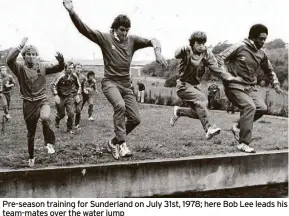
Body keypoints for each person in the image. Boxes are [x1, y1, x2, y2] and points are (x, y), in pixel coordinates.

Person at [63, 0, 168, 159]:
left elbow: (154, 40)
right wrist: (72, 12)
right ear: (114, 28)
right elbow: (85, 30)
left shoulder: (132, 40)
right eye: (121, 30)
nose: (124, 33)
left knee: (135, 119)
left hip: (126, 85)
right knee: (119, 105)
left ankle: (113, 142)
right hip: (110, 82)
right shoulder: (105, 39)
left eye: (126, 30)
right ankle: (122, 143)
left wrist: (158, 52)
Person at [217, 24, 282, 153]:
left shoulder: (261, 54)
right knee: (249, 107)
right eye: (260, 39)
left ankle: (237, 126)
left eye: (265, 39)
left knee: (262, 108)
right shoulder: (239, 47)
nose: (263, 42)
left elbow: (269, 70)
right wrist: (227, 76)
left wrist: (276, 83)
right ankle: (243, 143)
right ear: (252, 37)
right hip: (234, 85)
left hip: (250, 87)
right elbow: (219, 58)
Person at [6, 37, 65, 167]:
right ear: (24, 56)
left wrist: (61, 62)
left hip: (42, 100)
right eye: (28, 54)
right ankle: (31, 156)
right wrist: (20, 45)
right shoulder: (20, 68)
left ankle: (49, 143)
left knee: (45, 117)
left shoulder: (42, 67)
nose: (31, 57)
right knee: (30, 133)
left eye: (34, 54)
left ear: (37, 56)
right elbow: (9, 60)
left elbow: (58, 68)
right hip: (28, 104)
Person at [170, 31, 234, 140]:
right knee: (202, 99)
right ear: (192, 44)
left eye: (203, 44)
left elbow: (215, 68)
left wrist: (228, 76)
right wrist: (181, 49)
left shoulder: (206, 53)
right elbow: (177, 54)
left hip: (194, 86)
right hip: (183, 85)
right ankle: (209, 129)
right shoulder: (187, 51)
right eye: (198, 44)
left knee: (199, 112)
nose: (201, 46)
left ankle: (179, 111)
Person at [51, 61, 81, 134]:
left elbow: (79, 85)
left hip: (69, 96)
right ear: (65, 68)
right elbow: (53, 85)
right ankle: (57, 119)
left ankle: (69, 129)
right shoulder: (61, 76)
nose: (70, 70)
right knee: (62, 114)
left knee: (71, 113)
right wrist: (55, 95)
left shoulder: (74, 76)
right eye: (69, 68)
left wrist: (77, 94)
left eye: (72, 68)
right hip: (60, 96)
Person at [73, 62, 87, 129]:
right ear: (74, 68)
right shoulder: (71, 76)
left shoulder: (83, 77)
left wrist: (84, 90)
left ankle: (76, 124)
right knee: (71, 111)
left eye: (80, 67)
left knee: (78, 110)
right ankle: (69, 123)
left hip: (79, 94)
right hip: (71, 95)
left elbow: (83, 85)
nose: (79, 69)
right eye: (77, 67)